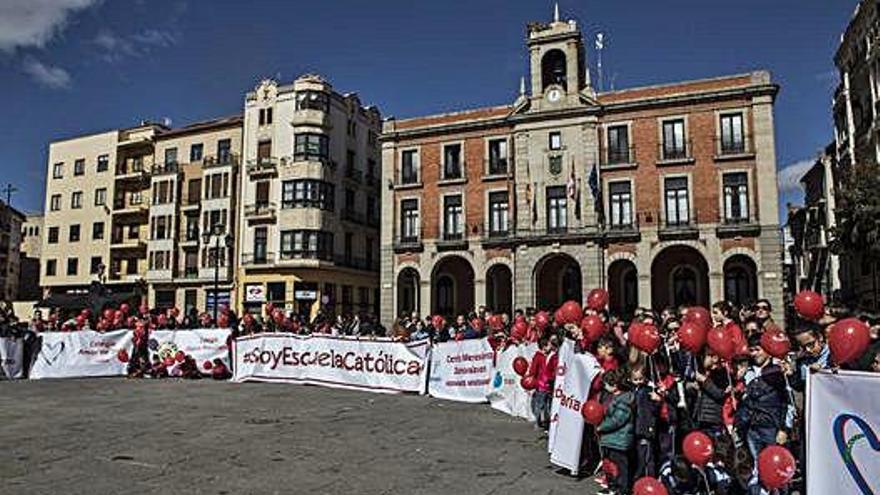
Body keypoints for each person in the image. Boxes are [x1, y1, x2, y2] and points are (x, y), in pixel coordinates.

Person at [737, 334, 791, 495]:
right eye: (752, 350)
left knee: (776, 466)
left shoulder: (777, 371)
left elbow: (786, 402)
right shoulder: (748, 371)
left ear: (767, 350)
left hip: (771, 427)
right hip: (752, 427)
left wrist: (784, 429)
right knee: (758, 465)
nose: (755, 354)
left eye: (758, 350)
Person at [596, 368, 634, 495]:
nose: (605, 387)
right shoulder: (613, 397)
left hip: (619, 440)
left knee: (620, 467)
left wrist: (602, 426)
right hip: (610, 439)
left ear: (615, 385)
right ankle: (612, 486)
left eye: (606, 384)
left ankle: (622, 489)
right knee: (610, 465)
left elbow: (617, 420)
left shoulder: (624, 399)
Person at [631, 365, 661, 479]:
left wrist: (657, 400)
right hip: (637, 428)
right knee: (640, 457)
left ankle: (649, 479)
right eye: (635, 379)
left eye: (640, 379)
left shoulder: (648, 391)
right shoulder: (634, 390)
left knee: (647, 458)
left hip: (645, 428)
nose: (638, 382)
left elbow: (653, 410)